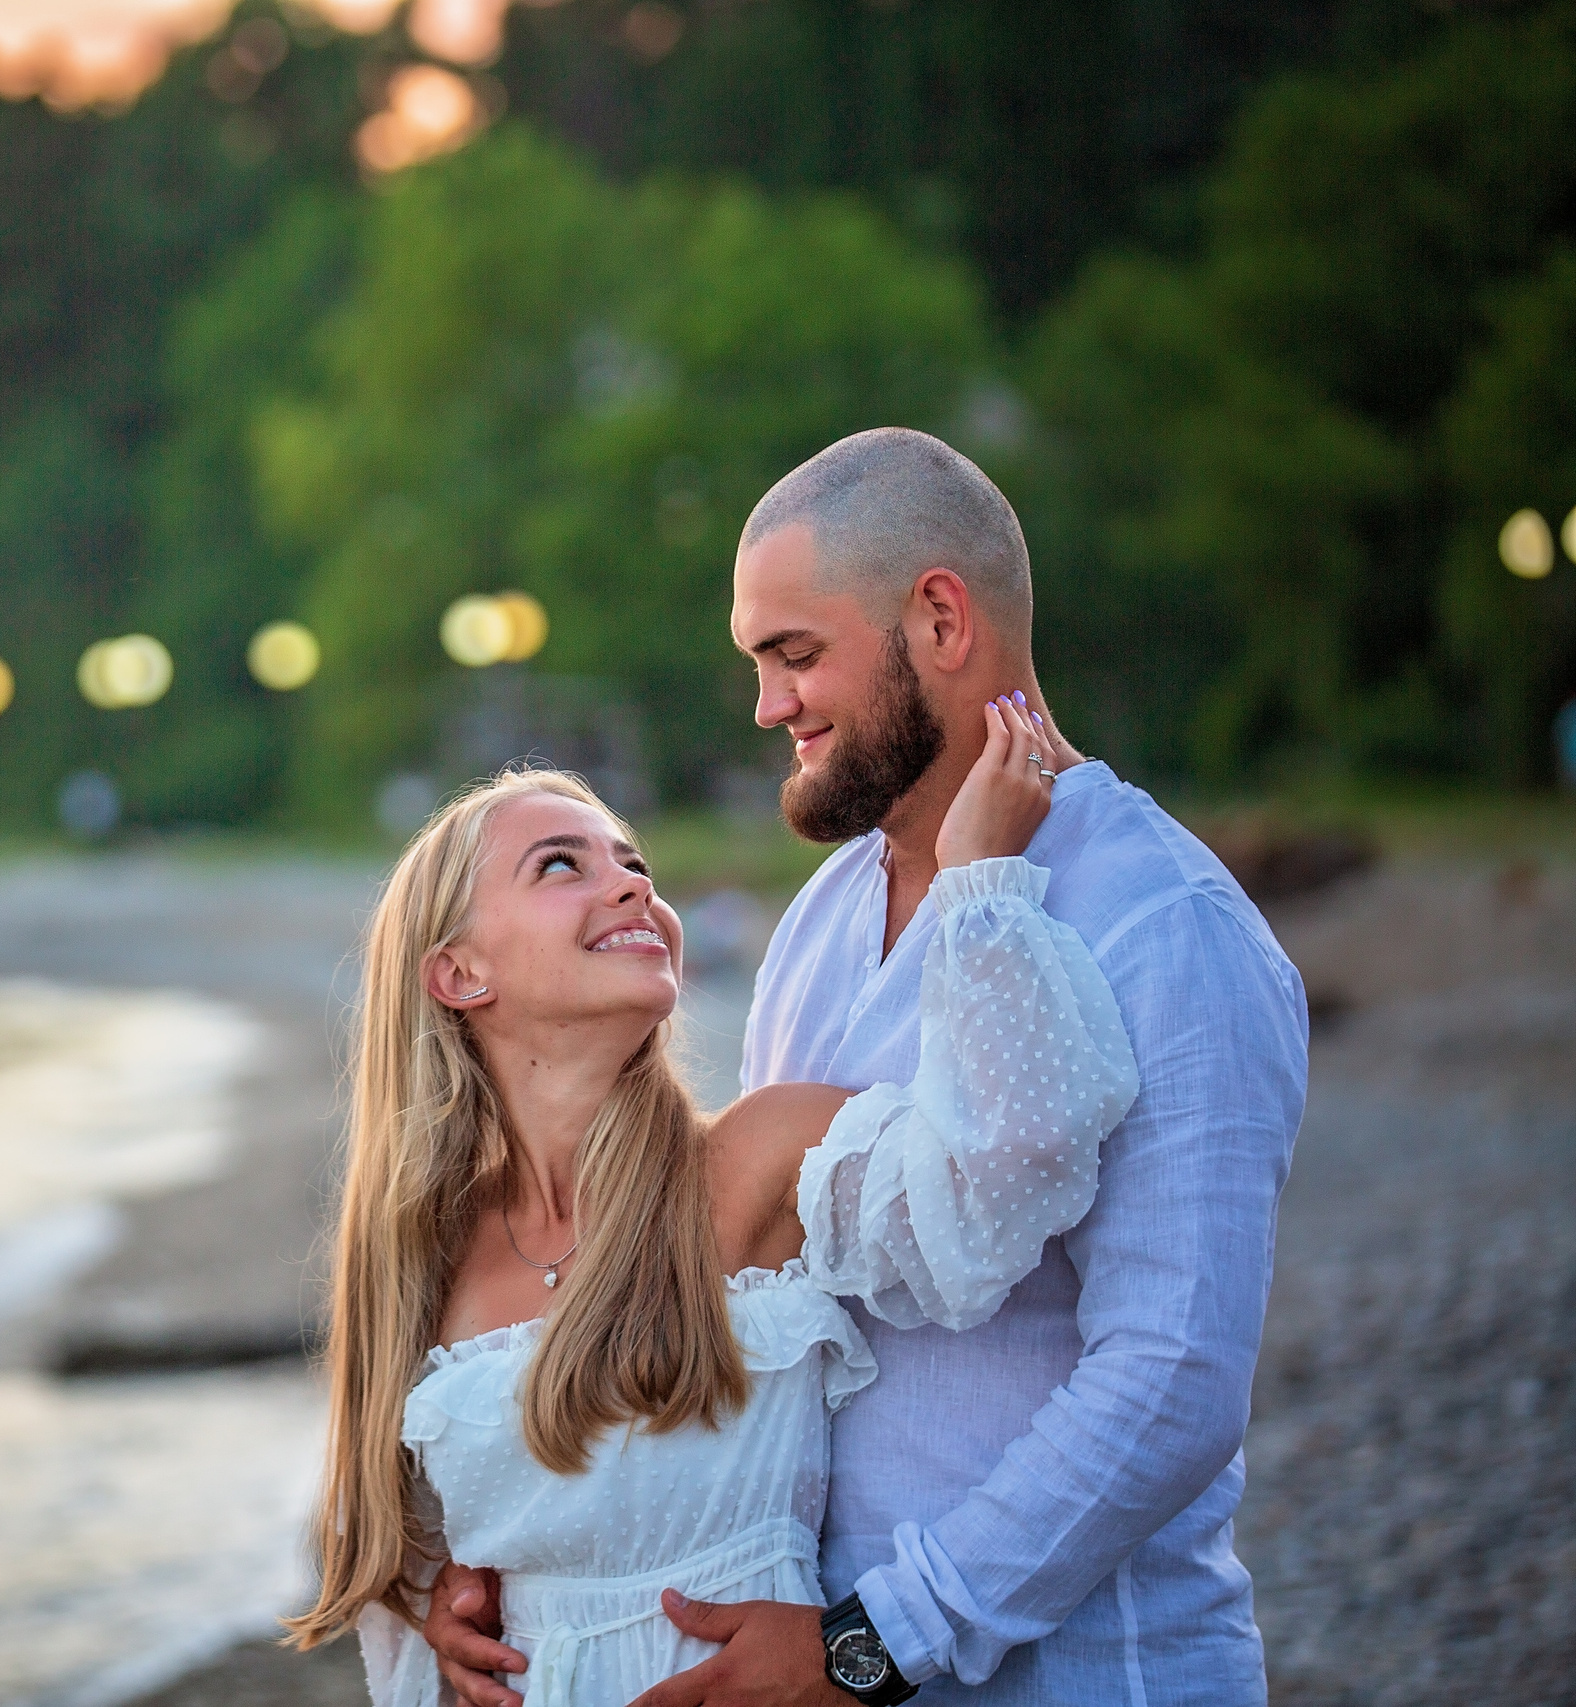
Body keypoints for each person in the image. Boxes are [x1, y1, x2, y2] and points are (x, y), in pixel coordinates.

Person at [417, 428, 1309, 1704]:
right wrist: (495, 1570)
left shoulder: (1162, 929)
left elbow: (1171, 1386)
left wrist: (867, 1646)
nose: (770, 705)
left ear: (939, 619)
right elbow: (752, 1325)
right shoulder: (825, 921)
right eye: (759, 663)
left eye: (795, 654)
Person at [288, 681, 1140, 1704]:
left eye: (636, 866)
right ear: (459, 973)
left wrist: (983, 883)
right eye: (563, 865)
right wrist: (430, 1603)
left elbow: (1018, 1164)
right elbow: (388, 1536)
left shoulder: (756, 1163)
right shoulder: (427, 1250)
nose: (632, 887)